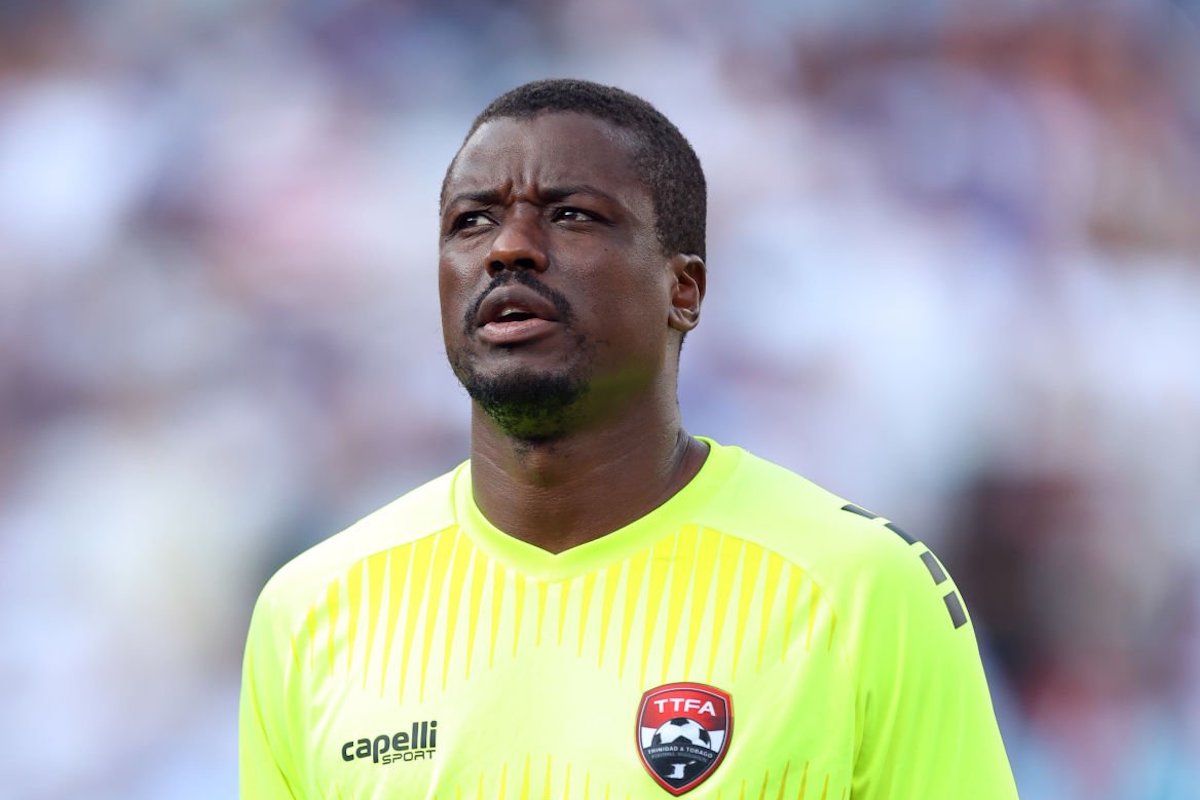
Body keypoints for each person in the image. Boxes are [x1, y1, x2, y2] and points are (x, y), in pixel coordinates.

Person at [239, 78, 1019, 799]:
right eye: (470, 221)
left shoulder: (859, 587)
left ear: (684, 288)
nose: (508, 247)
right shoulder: (313, 611)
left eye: (571, 213)